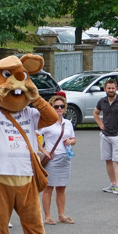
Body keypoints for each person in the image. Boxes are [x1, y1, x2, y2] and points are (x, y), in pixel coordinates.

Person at [39, 95, 77, 224]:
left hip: (65, 158)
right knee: (48, 188)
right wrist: (44, 151)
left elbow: (74, 139)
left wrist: (70, 141)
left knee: (61, 188)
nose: (59, 108)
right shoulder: (46, 122)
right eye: (56, 107)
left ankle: (61, 215)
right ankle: (48, 216)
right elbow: (33, 136)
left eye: (61, 106)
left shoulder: (68, 123)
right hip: (52, 158)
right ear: (51, 108)